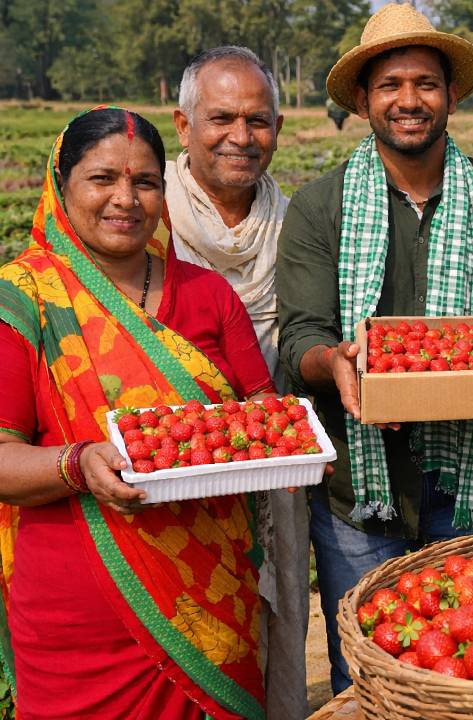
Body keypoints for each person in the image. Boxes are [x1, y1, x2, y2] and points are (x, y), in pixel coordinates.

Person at [276, 4, 473, 695]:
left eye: (425, 83)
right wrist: (336, 363)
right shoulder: (320, 207)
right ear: (364, 99)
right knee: (368, 672)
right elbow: (299, 338)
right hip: (362, 495)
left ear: (451, 95)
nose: (409, 100)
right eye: (390, 85)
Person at [0, 107, 272, 718]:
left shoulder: (208, 292)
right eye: (102, 179)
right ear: (61, 184)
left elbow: (262, 405)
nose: (125, 199)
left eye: (145, 182)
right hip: (77, 620)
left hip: (210, 597)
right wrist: (80, 464)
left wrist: (287, 442)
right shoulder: (24, 299)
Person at [167, 46, 307, 720]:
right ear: (183, 124)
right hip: (172, 466)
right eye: (221, 118)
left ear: (277, 128)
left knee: (274, 617)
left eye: (258, 121)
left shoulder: (297, 224)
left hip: (274, 459)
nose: (241, 137)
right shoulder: (147, 217)